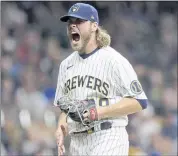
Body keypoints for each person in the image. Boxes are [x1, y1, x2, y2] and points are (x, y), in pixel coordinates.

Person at [54, 3, 148, 156]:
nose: (72, 26)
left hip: (108, 135)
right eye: (70, 22)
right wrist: (61, 126)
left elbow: (139, 101)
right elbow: (66, 108)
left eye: (79, 21)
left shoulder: (113, 60)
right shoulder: (65, 65)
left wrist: (99, 112)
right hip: (77, 141)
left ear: (94, 26)